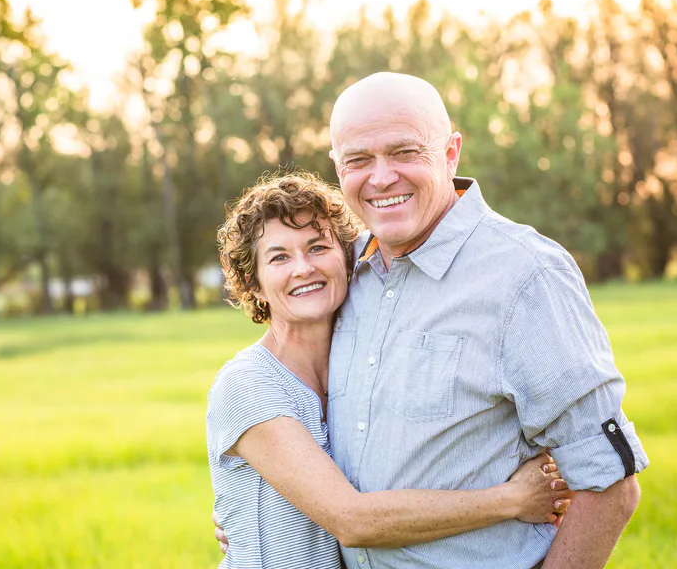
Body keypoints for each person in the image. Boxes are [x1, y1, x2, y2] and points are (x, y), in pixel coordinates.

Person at [216, 72, 649, 569]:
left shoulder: (525, 276)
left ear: (450, 153)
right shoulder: (344, 271)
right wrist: (257, 520)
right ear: (338, 168)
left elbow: (611, 485)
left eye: (404, 152)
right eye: (358, 159)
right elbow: (338, 502)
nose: (381, 178)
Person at [208, 172, 572, 568]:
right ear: (254, 283)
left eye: (317, 247)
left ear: (348, 262)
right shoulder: (248, 384)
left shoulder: (358, 362)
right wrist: (512, 499)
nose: (303, 268)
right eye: (279, 257)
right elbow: (351, 520)